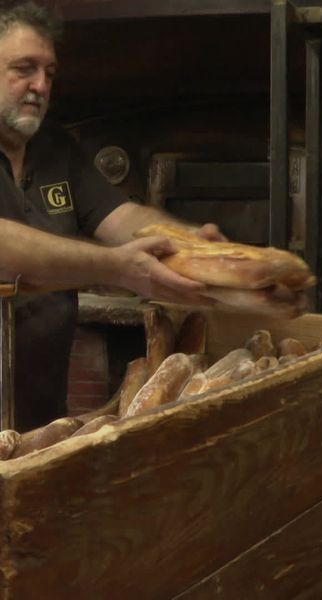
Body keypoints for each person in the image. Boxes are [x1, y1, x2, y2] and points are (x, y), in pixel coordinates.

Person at [0, 1, 223, 431]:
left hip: (39, 410)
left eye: (49, 73)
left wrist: (194, 241)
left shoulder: (53, 146)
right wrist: (118, 267)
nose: (40, 85)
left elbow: (121, 216)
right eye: (24, 68)